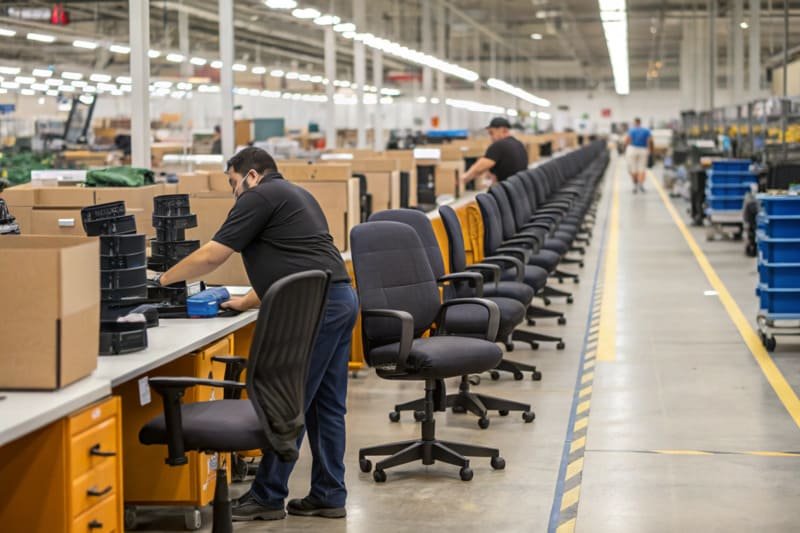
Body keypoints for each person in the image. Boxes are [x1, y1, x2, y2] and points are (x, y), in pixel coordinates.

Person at [154, 146, 358, 521]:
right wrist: (244, 302)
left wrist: (161, 280)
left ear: (251, 175)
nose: (233, 192)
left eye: (233, 182)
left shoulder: (259, 195)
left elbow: (213, 256)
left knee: (289, 400)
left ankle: (268, 494)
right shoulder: (296, 194)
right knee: (325, 405)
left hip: (316, 307)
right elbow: (294, 260)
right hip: (340, 299)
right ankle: (329, 493)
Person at [460, 117, 528, 186]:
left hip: (508, 190)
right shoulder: (519, 144)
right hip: (521, 188)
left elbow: (479, 168)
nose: (491, 137)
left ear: (503, 130)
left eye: (492, 133)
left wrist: (465, 177)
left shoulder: (499, 145)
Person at [624, 118, 653, 193]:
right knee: (642, 168)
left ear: (634, 123)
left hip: (632, 149)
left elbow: (627, 140)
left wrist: (625, 149)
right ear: (640, 122)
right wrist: (650, 150)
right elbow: (649, 141)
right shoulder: (646, 130)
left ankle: (635, 185)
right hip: (643, 150)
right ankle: (641, 185)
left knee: (633, 168)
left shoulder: (631, 130)